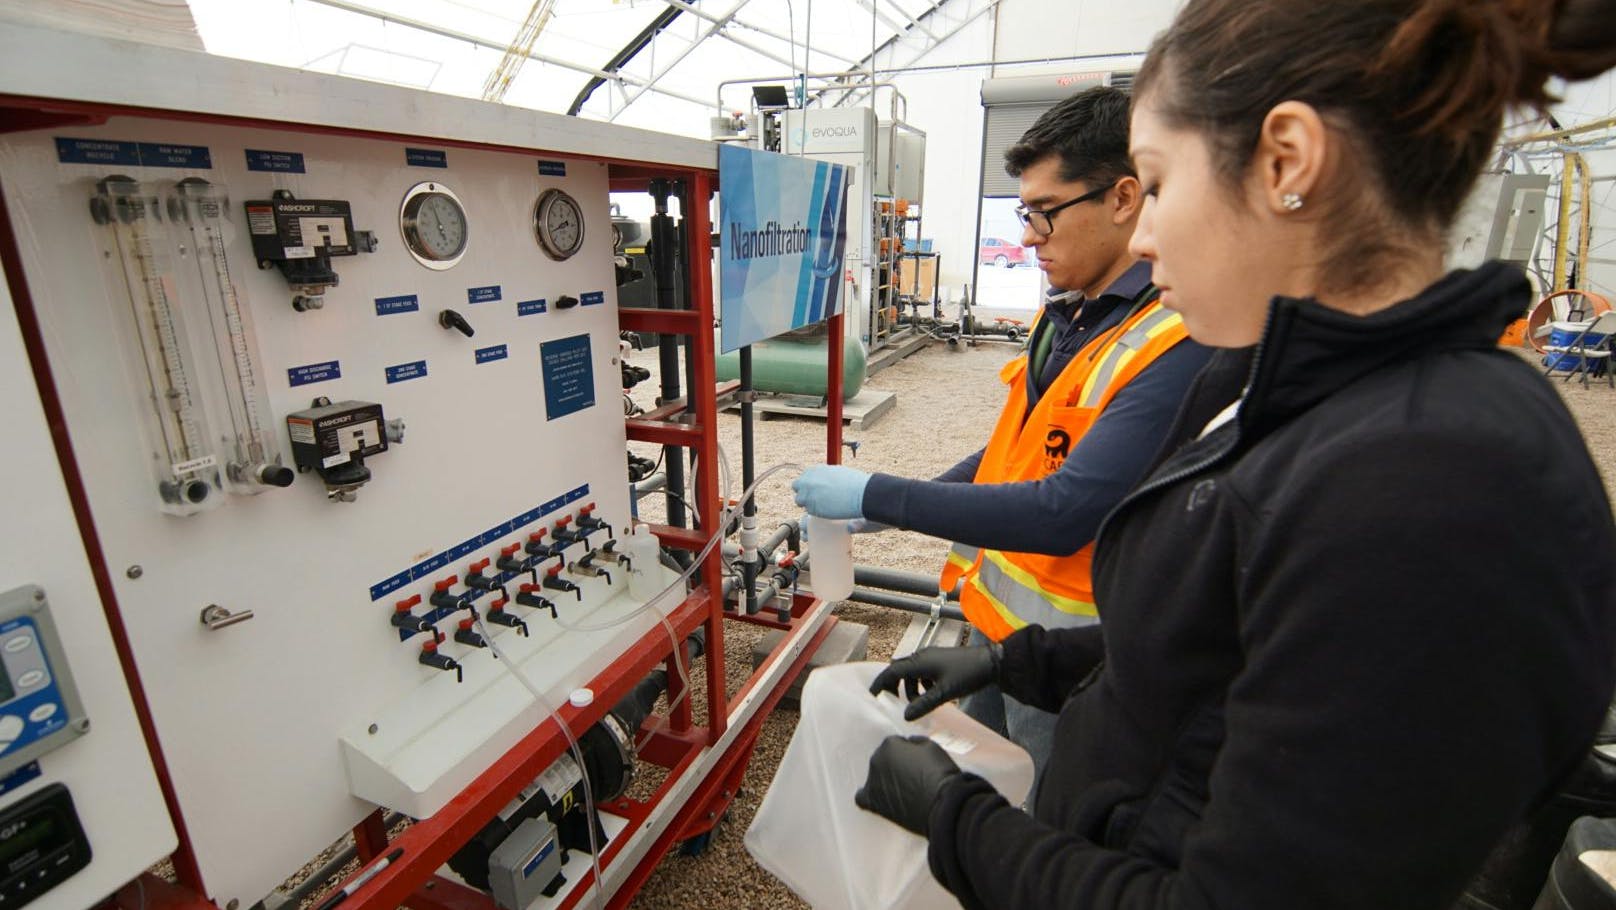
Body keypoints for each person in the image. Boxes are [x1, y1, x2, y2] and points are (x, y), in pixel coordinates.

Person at [848, 1, 1616, 908]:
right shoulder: (1313, 388)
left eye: (1161, 185)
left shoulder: (1431, 485)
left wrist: (957, 821)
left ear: (1286, 162)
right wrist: (1027, 664)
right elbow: (1230, 640)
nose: (1141, 235)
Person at [792, 86, 1211, 775]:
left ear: (1124, 198)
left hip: (1078, 662)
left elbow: (1066, 510)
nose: (1026, 237)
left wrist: (880, 495)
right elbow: (1019, 451)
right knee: (979, 783)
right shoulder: (1069, 313)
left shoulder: (1175, 342)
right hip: (996, 632)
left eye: (1045, 214)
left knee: (1042, 823)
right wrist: (905, 498)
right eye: (1025, 213)